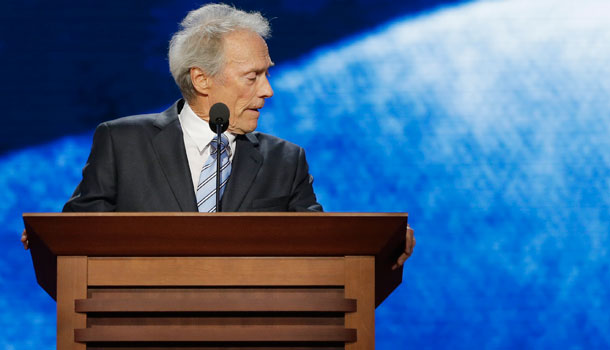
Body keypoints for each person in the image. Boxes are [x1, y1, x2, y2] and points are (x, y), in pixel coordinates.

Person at [21, 3, 415, 266]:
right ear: (202, 79)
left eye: (268, 73)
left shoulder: (285, 159)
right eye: (253, 76)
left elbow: (324, 250)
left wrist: (380, 246)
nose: (268, 90)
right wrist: (48, 239)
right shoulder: (122, 143)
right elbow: (77, 238)